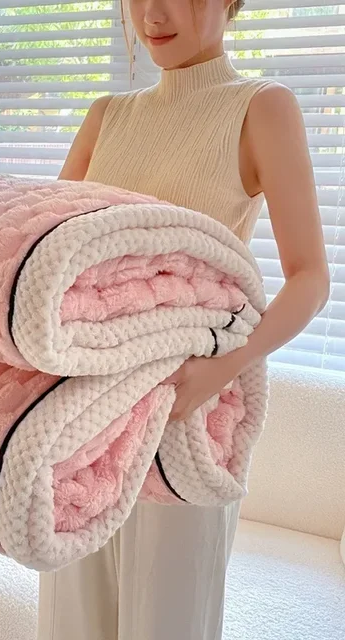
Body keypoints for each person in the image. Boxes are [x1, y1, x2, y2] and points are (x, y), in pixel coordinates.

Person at [37, 1, 330, 639]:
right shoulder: (107, 115)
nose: (153, 12)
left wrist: (220, 371)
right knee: (72, 622)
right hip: (83, 412)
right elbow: (48, 257)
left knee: (167, 623)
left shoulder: (260, 108)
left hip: (186, 413)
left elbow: (311, 277)